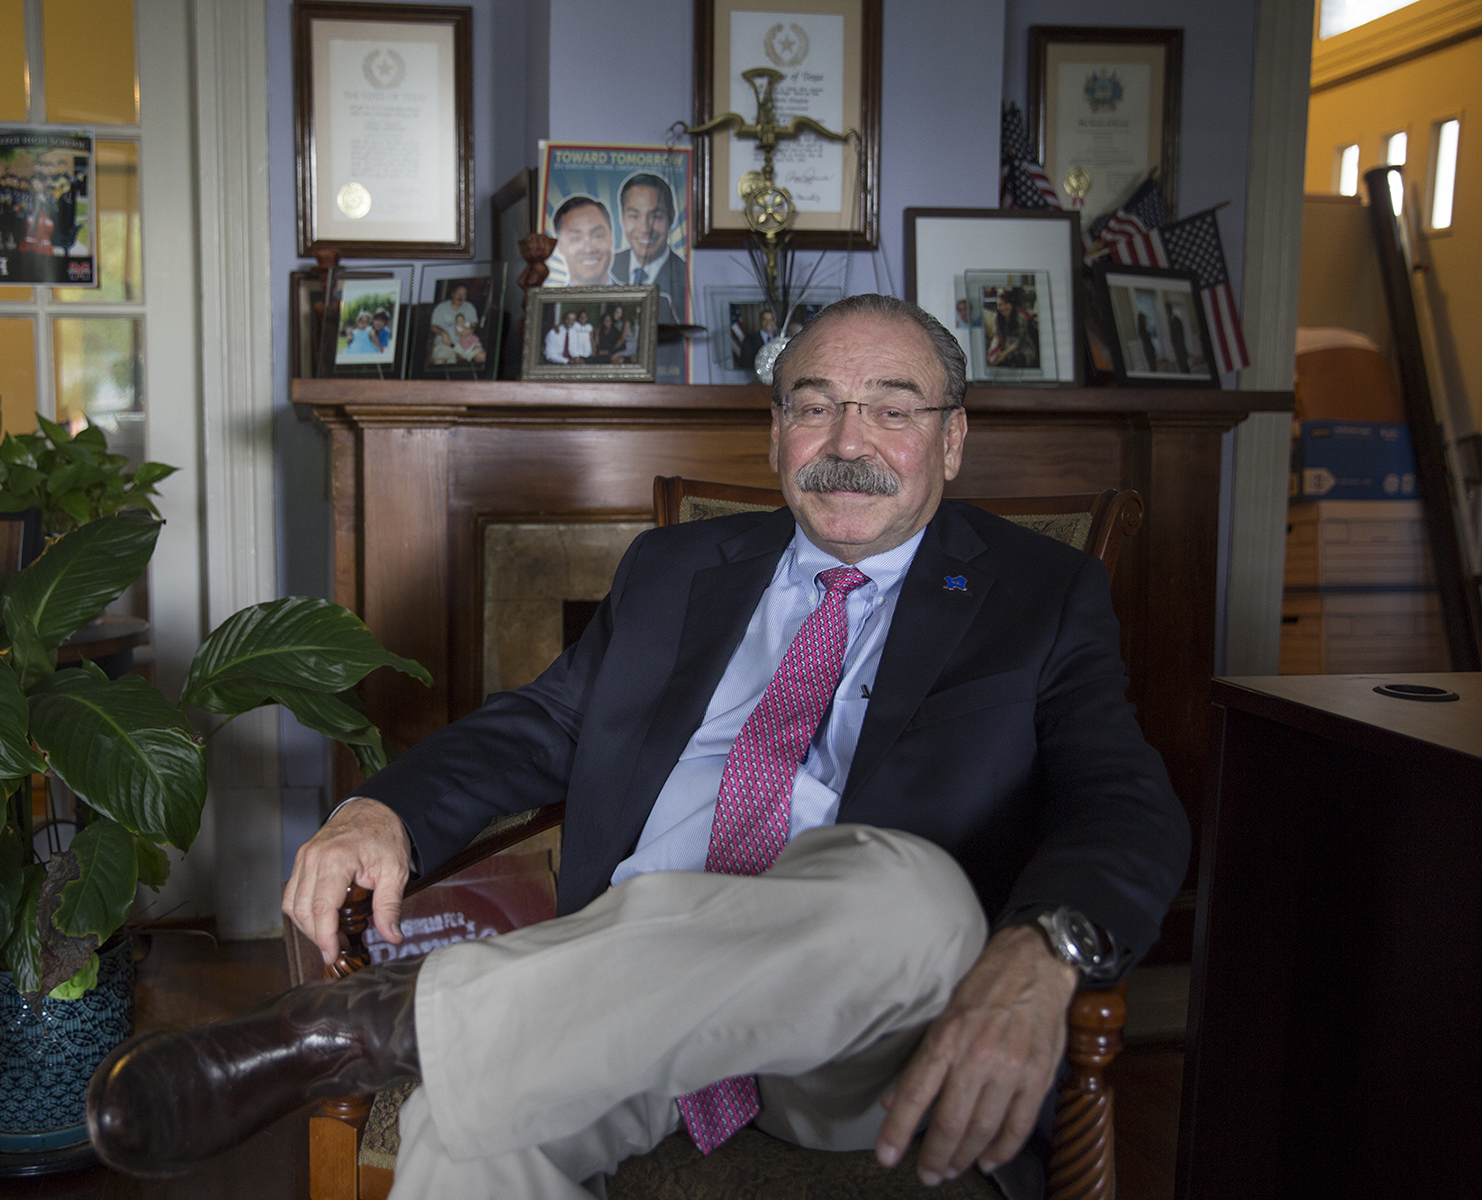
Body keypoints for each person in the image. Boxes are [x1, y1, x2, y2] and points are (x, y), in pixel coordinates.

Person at [88, 294, 1189, 1200]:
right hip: (616, 993)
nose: (849, 445)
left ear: (951, 437)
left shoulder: (1039, 597)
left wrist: (1049, 946)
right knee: (468, 1136)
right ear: (774, 435)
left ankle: (384, 1022)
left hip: (860, 1030)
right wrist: (384, 811)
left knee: (918, 895)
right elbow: (543, 724)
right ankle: (432, 1032)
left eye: (891, 411)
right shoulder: (677, 569)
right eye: (815, 408)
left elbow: (1124, 800)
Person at [610, 173, 688, 323]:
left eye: (656, 217)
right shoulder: (608, 266)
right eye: (634, 216)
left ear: (671, 218)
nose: (645, 228)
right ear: (622, 218)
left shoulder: (686, 277)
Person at [551, 195, 616, 287]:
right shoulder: (548, 301)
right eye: (576, 238)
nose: (589, 249)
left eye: (598, 236)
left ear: (611, 238)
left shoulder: (633, 300)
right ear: (559, 246)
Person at [985, 288, 1039, 369]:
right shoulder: (998, 317)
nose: (1003, 307)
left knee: (1014, 360)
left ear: (1011, 304)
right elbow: (997, 335)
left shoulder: (1020, 317)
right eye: (1000, 305)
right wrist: (993, 349)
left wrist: (1004, 354)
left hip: (1024, 350)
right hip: (1008, 350)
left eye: (1006, 304)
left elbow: (1018, 342)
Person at [429, 284, 480, 363]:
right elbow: (433, 326)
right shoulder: (441, 307)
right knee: (439, 361)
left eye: (464, 295)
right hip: (445, 344)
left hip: (467, 342)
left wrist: (471, 328)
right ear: (452, 294)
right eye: (458, 293)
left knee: (482, 356)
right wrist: (443, 333)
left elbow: (475, 324)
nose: (460, 297)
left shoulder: (469, 307)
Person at [1166, 305, 1191, 374]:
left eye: (1168, 310)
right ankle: (1183, 372)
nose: (1167, 312)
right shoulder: (1170, 320)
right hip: (1177, 346)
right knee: (1180, 362)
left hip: (1180, 345)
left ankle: (1187, 374)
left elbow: (1180, 333)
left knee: (1183, 361)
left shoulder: (1176, 320)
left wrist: (1179, 345)